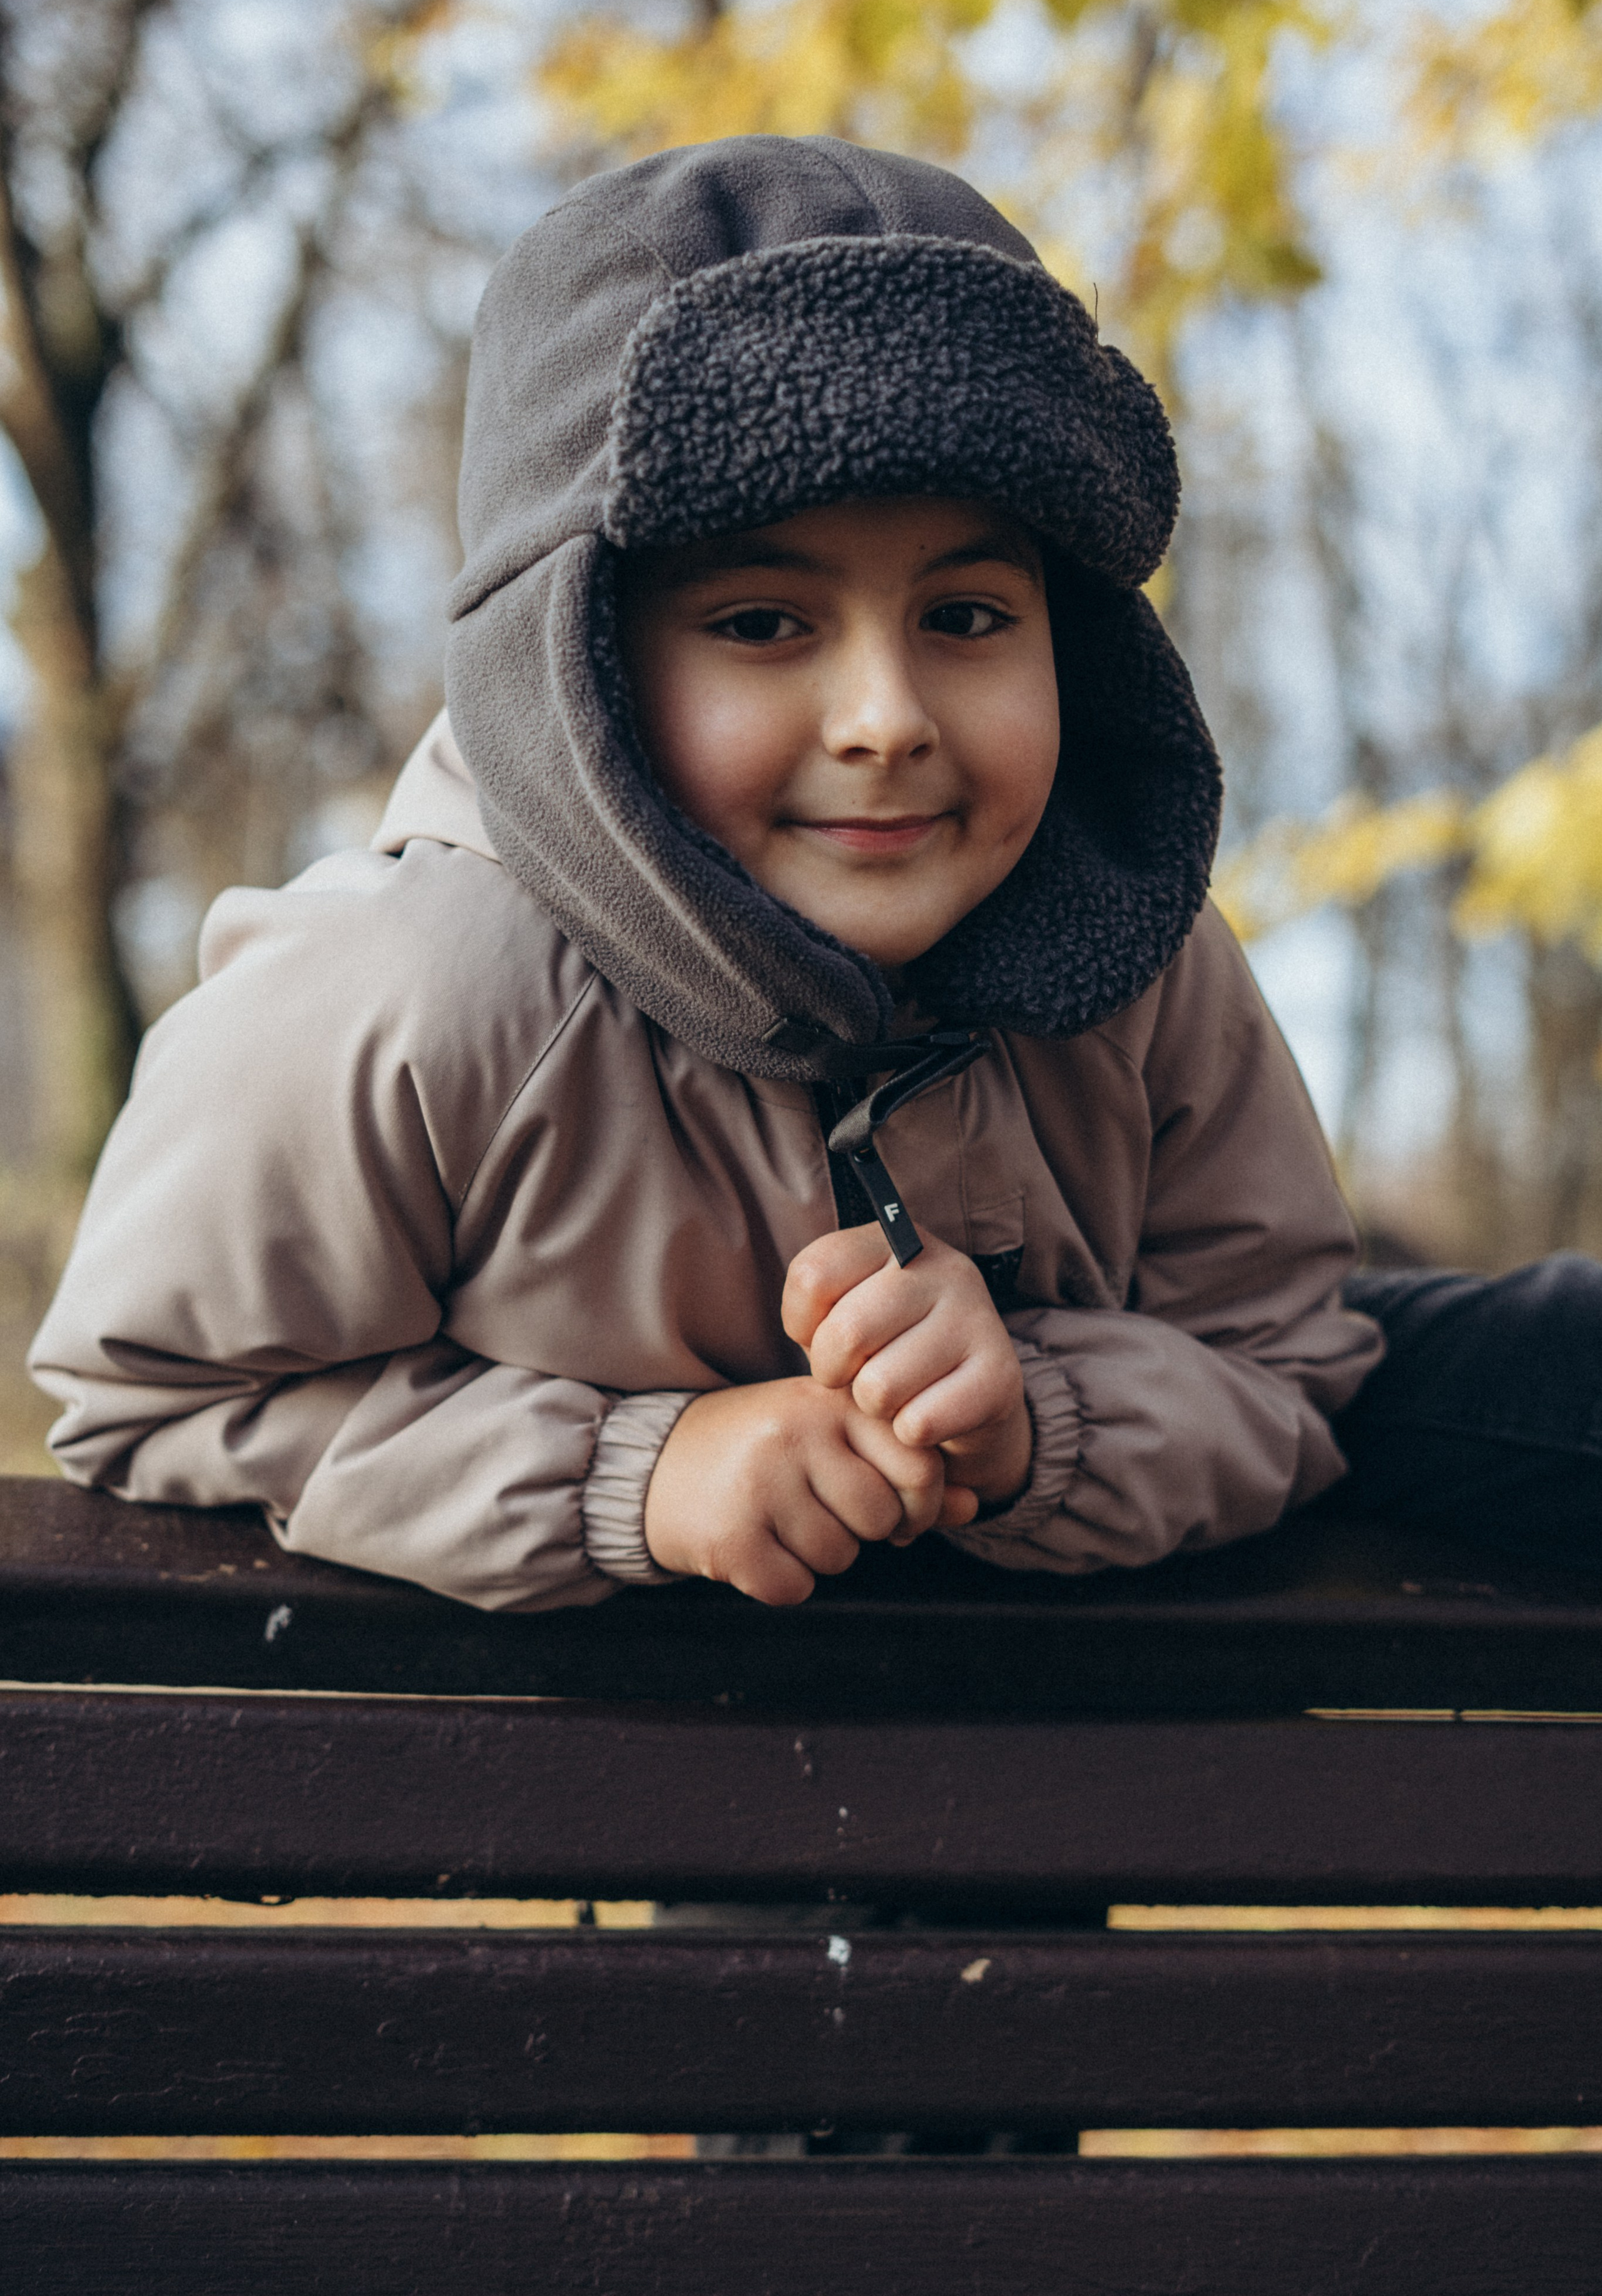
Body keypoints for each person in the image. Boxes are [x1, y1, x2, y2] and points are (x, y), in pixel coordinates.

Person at [28, 135, 1602, 1604]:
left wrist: (1039, 1423)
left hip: (1069, 1773)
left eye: (968, 619)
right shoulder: (405, 1000)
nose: (886, 720)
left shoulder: (1139, 964)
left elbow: (1286, 1374)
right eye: (761, 626)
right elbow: (147, 1396)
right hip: (633, 1787)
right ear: (575, 663)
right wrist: (628, 1474)